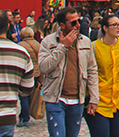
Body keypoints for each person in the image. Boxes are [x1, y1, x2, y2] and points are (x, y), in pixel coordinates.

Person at [39, 7, 99, 137]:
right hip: (55, 98)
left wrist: (94, 98)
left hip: (77, 99)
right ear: (62, 25)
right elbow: (43, 67)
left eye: (78, 21)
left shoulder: (86, 42)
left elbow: (92, 70)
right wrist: (63, 47)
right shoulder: (48, 42)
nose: (78, 25)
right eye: (73, 23)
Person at [85, 14, 119, 137]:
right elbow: (87, 72)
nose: (118, 28)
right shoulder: (94, 47)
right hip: (99, 101)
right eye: (114, 25)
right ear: (105, 28)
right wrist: (88, 95)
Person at [17, 27, 42, 128]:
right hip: (37, 73)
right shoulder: (38, 44)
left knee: (24, 96)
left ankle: (25, 117)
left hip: (25, 72)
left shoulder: (20, 45)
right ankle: (25, 115)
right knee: (32, 95)